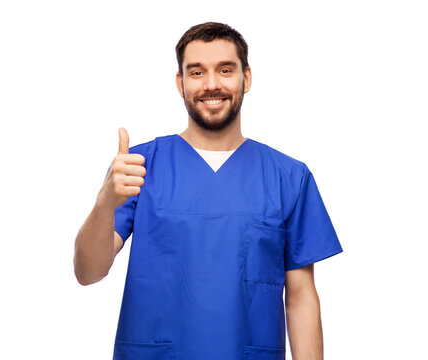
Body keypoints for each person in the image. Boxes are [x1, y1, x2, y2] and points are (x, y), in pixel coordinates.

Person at [74, 22, 343, 360]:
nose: (212, 84)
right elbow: (88, 272)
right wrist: (105, 204)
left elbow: (301, 296)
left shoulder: (288, 177)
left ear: (246, 77)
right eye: (197, 72)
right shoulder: (138, 167)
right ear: (180, 83)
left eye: (225, 70)